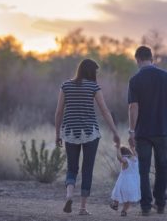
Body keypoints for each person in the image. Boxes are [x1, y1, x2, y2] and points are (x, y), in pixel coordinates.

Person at [55, 58, 120, 215]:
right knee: (87, 169)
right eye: (95, 72)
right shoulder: (93, 87)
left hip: (70, 132)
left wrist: (58, 133)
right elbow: (104, 111)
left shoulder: (66, 85)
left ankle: (69, 195)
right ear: (91, 72)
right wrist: (115, 132)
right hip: (90, 133)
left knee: (72, 167)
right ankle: (83, 208)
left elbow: (58, 112)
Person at [128, 46, 167, 216]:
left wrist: (131, 130)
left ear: (138, 59)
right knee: (162, 167)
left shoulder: (135, 80)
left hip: (142, 133)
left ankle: (145, 206)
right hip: (162, 130)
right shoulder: (165, 76)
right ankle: (160, 204)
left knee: (143, 170)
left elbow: (133, 107)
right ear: (151, 58)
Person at [110, 146, 141, 217]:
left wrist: (118, 149)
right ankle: (124, 211)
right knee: (128, 198)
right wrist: (132, 147)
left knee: (117, 192)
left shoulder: (125, 160)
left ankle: (115, 204)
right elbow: (135, 153)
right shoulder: (135, 159)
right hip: (134, 183)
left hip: (124, 182)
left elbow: (120, 158)